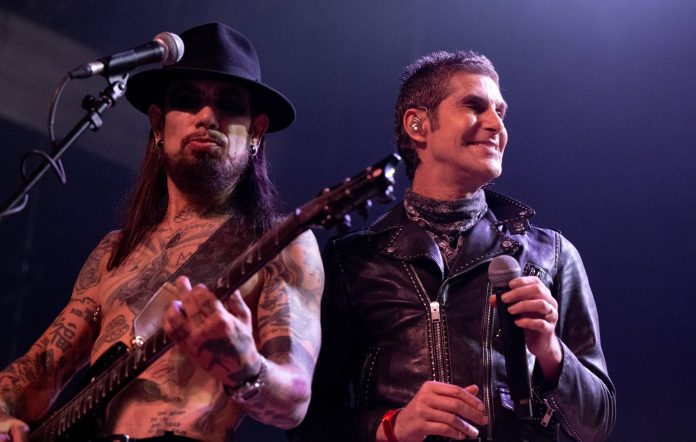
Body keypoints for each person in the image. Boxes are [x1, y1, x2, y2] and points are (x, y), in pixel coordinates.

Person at [0, 23, 323, 441]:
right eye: (188, 101)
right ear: (157, 124)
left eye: (228, 105)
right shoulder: (114, 252)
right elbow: (37, 371)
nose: (207, 117)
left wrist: (247, 366)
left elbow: (294, 404)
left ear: (257, 131)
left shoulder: (279, 241)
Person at [294, 51, 616, 441]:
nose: (496, 124)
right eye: (474, 106)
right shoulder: (351, 263)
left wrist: (550, 350)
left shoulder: (553, 255)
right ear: (418, 124)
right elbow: (307, 423)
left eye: (501, 112)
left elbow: (598, 425)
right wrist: (392, 427)